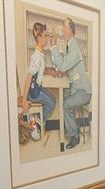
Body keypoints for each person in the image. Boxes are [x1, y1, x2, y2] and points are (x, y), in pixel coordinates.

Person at [51, 17, 92, 149]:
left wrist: (53, 47)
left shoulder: (74, 49)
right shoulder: (69, 47)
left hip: (84, 92)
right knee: (64, 100)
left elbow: (63, 66)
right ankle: (72, 129)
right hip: (75, 88)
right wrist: (60, 70)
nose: (63, 29)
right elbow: (64, 65)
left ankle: (75, 136)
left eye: (64, 26)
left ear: (70, 30)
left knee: (66, 104)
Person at [21, 22, 56, 133]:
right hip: (34, 92)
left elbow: (40, 70)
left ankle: (37, 121)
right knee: (52, 102)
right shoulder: (36, 56)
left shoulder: (40, 53)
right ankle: (36, 122)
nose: (47, 38)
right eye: (45, 36)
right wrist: (24, 101)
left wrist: (50, 72)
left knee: (52, 99)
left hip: (37, 88)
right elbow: (29, 77)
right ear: (39, 38)